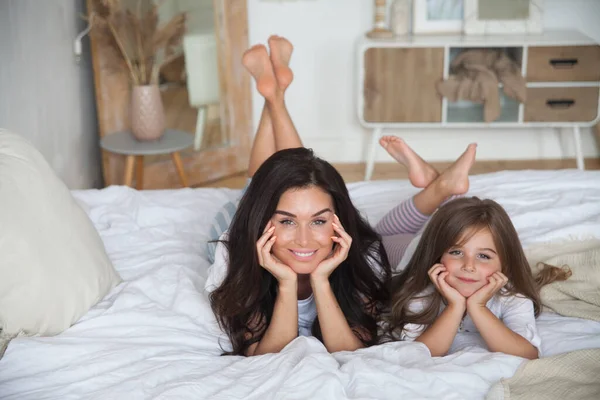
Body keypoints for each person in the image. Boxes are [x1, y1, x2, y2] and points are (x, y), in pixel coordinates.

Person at [206, 36, 391, 357]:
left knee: (294, 178)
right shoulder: (233, 255)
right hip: (236, 222)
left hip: (272, 209)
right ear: (264, 221)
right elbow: (265, 357)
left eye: (319, 220)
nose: (304, 240)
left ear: (337, 217)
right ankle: (274, 95)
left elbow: (352, 352)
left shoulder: (365, 257)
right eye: (287, 222)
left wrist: (321, 281)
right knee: (260, 184)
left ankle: (273, 96)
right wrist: (288, 284)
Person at [374, 137, 570, 359]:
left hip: (452, 234)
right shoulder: (422, 289)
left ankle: (441, 186)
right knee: (376, 240)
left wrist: (478, 307)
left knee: (385, 235)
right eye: (457, 252)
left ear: (504, 264)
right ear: (438, 256)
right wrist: (455, 307)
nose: (469, 266)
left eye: (484, 256)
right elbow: (418, 353)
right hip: (416, 248)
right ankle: (441, 187)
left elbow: (527, 353)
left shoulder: (510, 295)